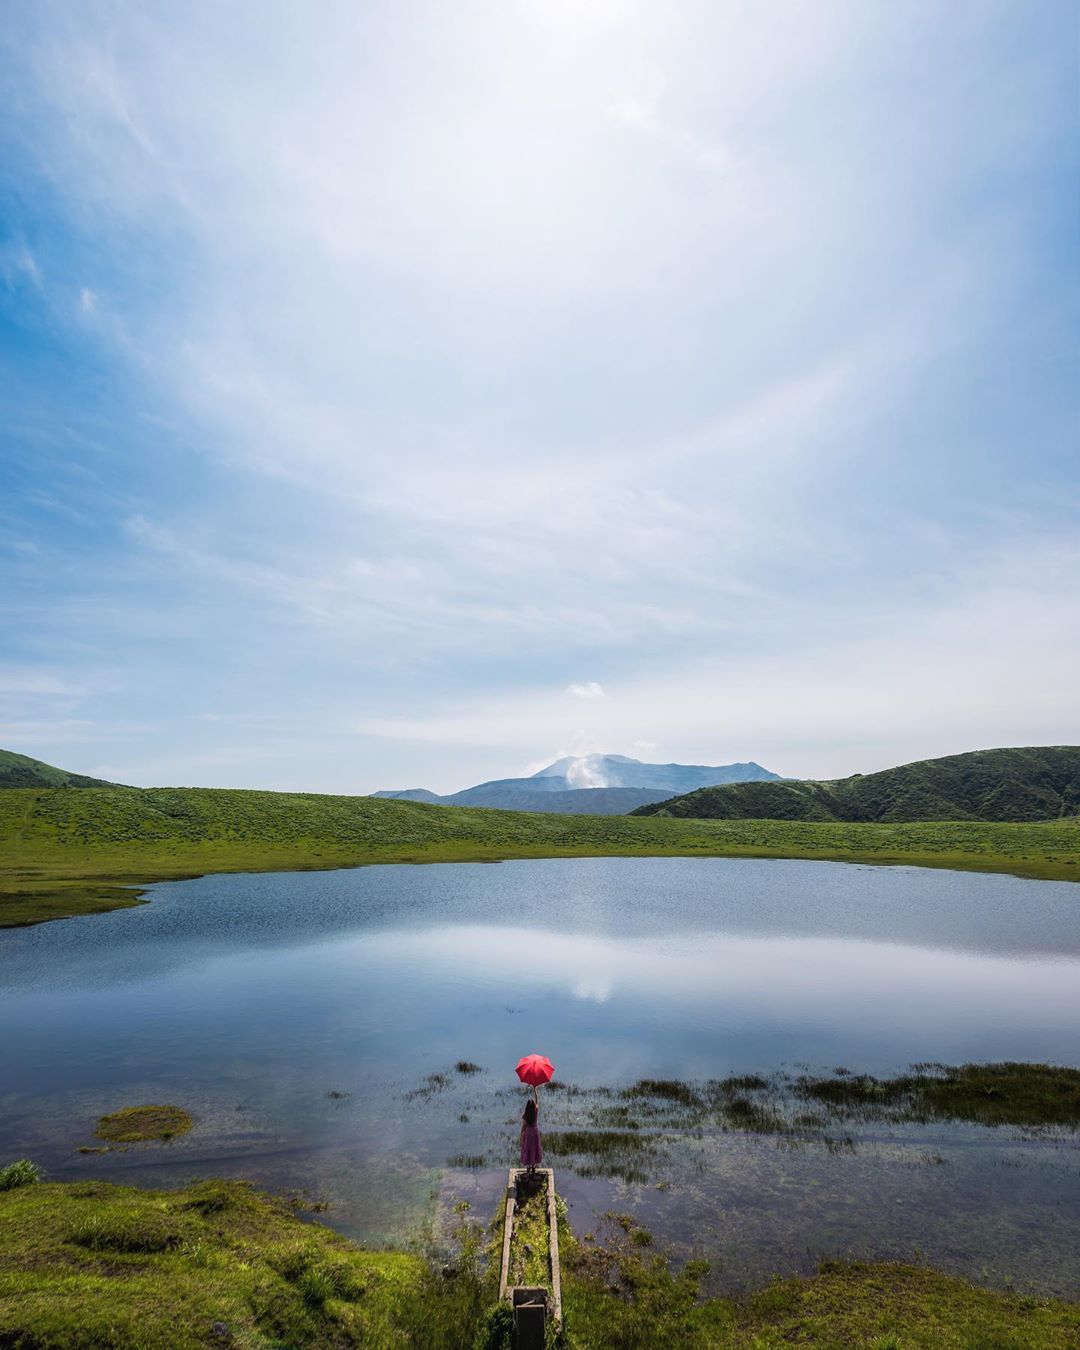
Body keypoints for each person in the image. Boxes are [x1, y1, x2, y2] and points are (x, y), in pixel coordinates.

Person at [520, 1086, 542, 1172]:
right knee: (534, 1148)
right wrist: (535, 1090)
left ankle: (528, 1167)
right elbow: (537, 1101)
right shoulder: (535, 1111)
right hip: (535, 1132)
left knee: (527, 1148)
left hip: (528, 1132)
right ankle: (533, 1166)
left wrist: (521, 1136)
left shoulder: (525, 1114)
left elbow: (523, 1127)